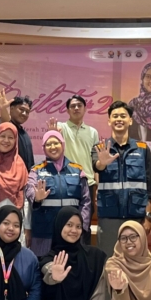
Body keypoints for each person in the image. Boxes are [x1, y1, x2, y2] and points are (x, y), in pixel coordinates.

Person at [93, 101, 151, 257]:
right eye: (115, 116)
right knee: (108, 260)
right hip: (109, 217)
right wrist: (102, 163)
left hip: (136, 216)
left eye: (123, 116)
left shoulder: (142, 148)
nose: (119, 119)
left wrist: (148, 217)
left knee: (135, 261)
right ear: (109, 121)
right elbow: (97, 166)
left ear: (130, 120)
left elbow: (148, 187)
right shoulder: (100, 148)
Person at [26, 130, 90, 257]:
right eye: (48, 144)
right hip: (44, 233)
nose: (52, 147)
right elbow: (29, 189)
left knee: (71, 265)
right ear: (44, 148)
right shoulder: (36, 170)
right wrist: (36, 198)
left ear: (63, 144)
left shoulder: (77, 170)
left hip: (71, 233)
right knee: (44, 266)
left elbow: (86, 201)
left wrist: (81, 226)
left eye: (56, 143)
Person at [47, 96, 100, 238]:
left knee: (84, 224)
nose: (76, 108)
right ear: (67, 110)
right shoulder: (61, 128)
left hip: (88, 183)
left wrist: (98, 185)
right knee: (65, 223)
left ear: (85, 108)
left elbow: (95, 161)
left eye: (79, 105)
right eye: (72, 106)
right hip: (66, 182)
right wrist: (54, 134)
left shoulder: (93, 132)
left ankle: (83, 252)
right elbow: (53, 149)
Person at [0, 90, 35, 171]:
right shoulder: (6, 126)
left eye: (27, 112)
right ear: (11, 109)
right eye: (21, 109)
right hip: (5, 176)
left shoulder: (24, 134)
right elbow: (5, 120)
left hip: (24, 177)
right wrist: (3, 109)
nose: (24, 113)